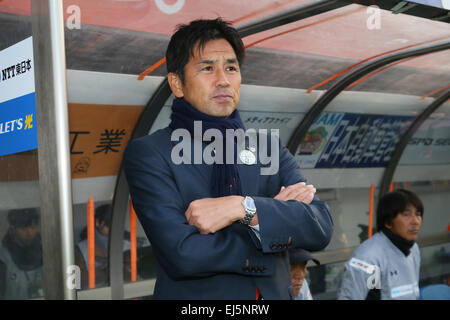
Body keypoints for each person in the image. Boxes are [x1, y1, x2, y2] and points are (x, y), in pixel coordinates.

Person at [123, 18, 333, 300]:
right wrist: (271, 228)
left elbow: (319, 226)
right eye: (208, 68)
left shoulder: (267, 147)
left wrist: (243, 208)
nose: (223, 80)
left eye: (231, 68)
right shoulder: (151, 153)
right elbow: (183, 254)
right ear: (177, 83)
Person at [338, 189, 423, 300]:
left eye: (418, 214)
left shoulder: (413, 249)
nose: (415, 221)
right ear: (388, 222)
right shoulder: (370, 258)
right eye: (406, 214)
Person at [75, 204, 132, 289]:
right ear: (98, 222)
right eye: (109, 225)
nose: (114, 230)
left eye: (117, 225)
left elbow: (133, 276)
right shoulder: (81, 249)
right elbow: (77, 282)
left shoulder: (127, 245)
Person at [0, 208, 44, 300]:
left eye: (33, 227)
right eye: (23, 228)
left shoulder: (47, 251)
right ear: (13, 228)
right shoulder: (3, 259)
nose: (29, 233)